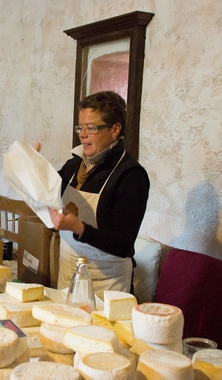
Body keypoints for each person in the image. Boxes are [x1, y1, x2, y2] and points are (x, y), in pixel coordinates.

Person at [46, 91, 150, 298]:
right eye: (80, 127)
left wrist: (77, 227)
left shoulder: (130, 176)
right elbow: (47, 192)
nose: (82, 134)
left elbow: (123, 243)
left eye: (91, 128)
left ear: (115, 129)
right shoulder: (75, 164)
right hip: (69, 271)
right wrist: (31, 166)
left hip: (107, 283)